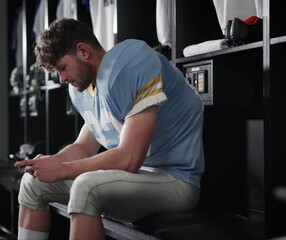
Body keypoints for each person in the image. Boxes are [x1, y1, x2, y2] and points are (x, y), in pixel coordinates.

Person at [14, 18, 205, 240]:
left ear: (83, 51)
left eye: (62, 68)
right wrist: (51, 163)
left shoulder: (131, 61)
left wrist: (64, 170)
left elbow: (130, 158)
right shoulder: (82, 88)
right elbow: (84, 146)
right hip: (128, 180)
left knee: (86, 187)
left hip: (175, 181)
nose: (62, 78)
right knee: (33, 183)